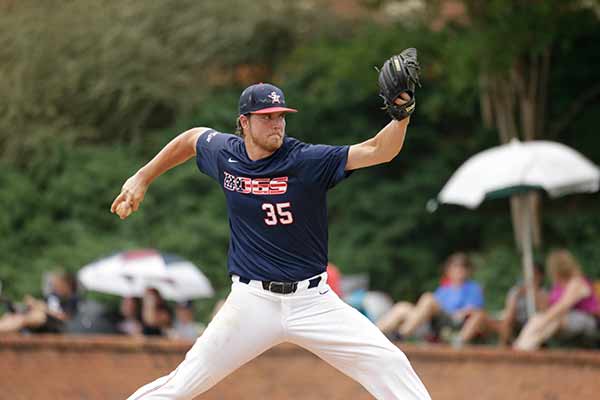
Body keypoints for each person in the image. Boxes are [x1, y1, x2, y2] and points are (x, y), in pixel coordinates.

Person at [111, 80, 431, 399]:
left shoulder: (306, 161)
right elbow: (192, 139)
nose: (276, 123)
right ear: (244, 122)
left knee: (389, 363)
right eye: (266, 117)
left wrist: (400, 116)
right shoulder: (226, 155)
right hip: (252, 302)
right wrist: (142, 177)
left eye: (280, 116)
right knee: (180, 385)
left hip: (312, 301)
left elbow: (379, 150)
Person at [377, 253, 484, 346]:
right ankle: (373, 334)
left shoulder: (472, 288)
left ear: (468, 271)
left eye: (462, 267)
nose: (458, 270)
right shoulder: (444, 289)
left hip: (451, 322)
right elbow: (429, 308)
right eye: (455, 267)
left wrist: (461, 312)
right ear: (448, 270)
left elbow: (475, 311)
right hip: (431, 320)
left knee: (428, 298)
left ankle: (401, 334)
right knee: (402, 307)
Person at [513, 249, 599, 351]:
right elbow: (547, 307)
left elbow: (562, 306)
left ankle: (522, 348)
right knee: (538, 318)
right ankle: (522, 346)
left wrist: (542, 322)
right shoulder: (558, 286)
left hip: (589, 320)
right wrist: (534, 290)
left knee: (551, 320)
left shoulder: (577, 282)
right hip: (566, 318)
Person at [0, 271, 79, 334]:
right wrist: (34, 305)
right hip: (39, 320)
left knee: (35, 316)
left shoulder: (72, 298)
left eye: (58, 284)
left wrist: (44, 308)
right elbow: (41, 305)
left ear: (67, 285)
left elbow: (66, 318)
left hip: (55, 325)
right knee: (10, 316)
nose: (55, 286)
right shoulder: (52, 296)